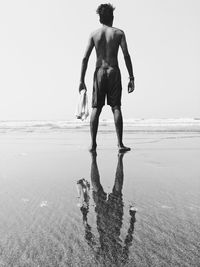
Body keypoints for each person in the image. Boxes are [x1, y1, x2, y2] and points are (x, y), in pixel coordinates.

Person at [79, 3, 135, 152]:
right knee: (116, 107)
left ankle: (93, 144)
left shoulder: (94, 34)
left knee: (96, 108)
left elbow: (85, 58)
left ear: (100, 19)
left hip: (99, 72)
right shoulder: (119, 33)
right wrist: (131, 77)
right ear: (112, 17)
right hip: (113, 71)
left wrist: (81, 80)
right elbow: (126, 55)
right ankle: (120, 144)